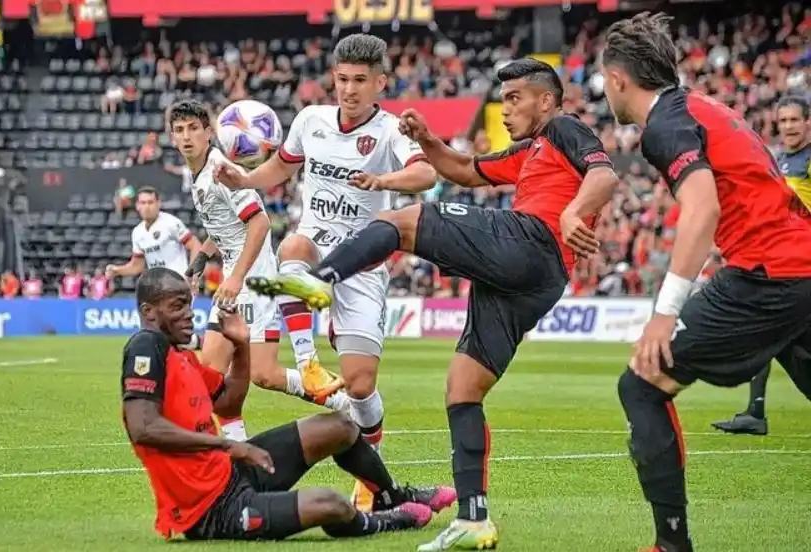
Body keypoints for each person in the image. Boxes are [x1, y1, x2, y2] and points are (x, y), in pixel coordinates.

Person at [240, 58, 620, 550]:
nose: (504, 110)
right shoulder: (529, 153)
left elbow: (604, 176)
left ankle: (320, 280)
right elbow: (463, 169)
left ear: (545, 101)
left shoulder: (564, 128)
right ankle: (474, 518)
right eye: (502, 100)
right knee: (463, 389)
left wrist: (573, 211)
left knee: (400, 222)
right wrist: (426, 140)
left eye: (514, 99)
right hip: (538, 280)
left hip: (533, 240)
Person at [570, 12, 811, 552]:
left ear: (616, 80)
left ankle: (670, 545)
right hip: (801, 269)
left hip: (769, 274)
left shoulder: (664, 125)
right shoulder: (705, 108)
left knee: (641, 384)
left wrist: (664, 313)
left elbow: (702, 207)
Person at [215, 33, 438, 512]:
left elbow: (426, 176)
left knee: (360, 387)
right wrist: (246, 178)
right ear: (332, 78)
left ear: (381, 83)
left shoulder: (391, 130)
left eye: (361, 81)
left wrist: (384, 180)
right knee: (292, 245)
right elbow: (282, 167)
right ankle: (309, 362)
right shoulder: (310, 120)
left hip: (362, 265)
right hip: (315, 243)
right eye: (342, 79)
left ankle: (372, 476)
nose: (350, 90)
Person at [120, 267, 456, 541]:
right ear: (149, 312)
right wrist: (227, 445)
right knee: (331, 503)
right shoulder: (145, 345)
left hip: (231, 473)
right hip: (209, 509)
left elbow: (229, 400)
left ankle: (391, 495)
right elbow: (143, 428)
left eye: (188, 305)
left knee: (340, 426)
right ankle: (387, 521)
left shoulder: (182, 357)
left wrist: (242, 346)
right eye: (177, 306)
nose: (189, 315)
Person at [167, 98, 350, 443]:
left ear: (210, 133)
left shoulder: (220, 171)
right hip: (234, 282)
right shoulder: (199, 173)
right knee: (216, 377)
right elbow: (224, 227)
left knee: (262, 375)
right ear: (172, 138)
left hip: (251, 282)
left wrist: (235, 279)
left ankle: (345, 404)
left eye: (194, 128)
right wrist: (202, 259)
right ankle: (236, 456)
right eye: (179, 130)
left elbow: (260, 223)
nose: (187, 136)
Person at [711, 95, 811, 436]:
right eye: (782, 121)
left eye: (794, 120)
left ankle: (755, 413)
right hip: (785, 263)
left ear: (808, 122)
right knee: (772, 333)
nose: (788, 127)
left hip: (803, 263)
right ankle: (755, 412)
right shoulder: (778, 160)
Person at [106, 186, 202, 279]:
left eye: (150, 202)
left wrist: (192, 274)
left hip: (178, 285)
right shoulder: (137, 232)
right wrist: (117, 270)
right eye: (143, 203)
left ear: (158, 203)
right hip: (157, 287)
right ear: (137, 206)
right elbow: (137, 266)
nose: (147, 207)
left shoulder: (171, 223)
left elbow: (195, 245)